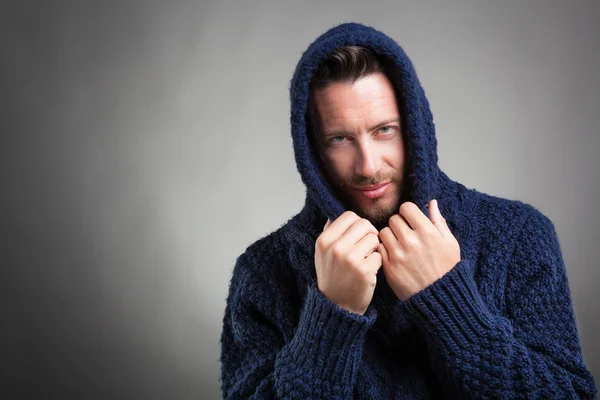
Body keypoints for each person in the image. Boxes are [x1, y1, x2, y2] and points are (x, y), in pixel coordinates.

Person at [219, 22, 597, 399]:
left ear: (417, 128)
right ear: (313, 150)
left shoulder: (518, 235)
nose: (367, 166)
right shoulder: (263, 272)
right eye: (340, 139)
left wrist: (450, 301)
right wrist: (331, 316)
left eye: (385, 130)